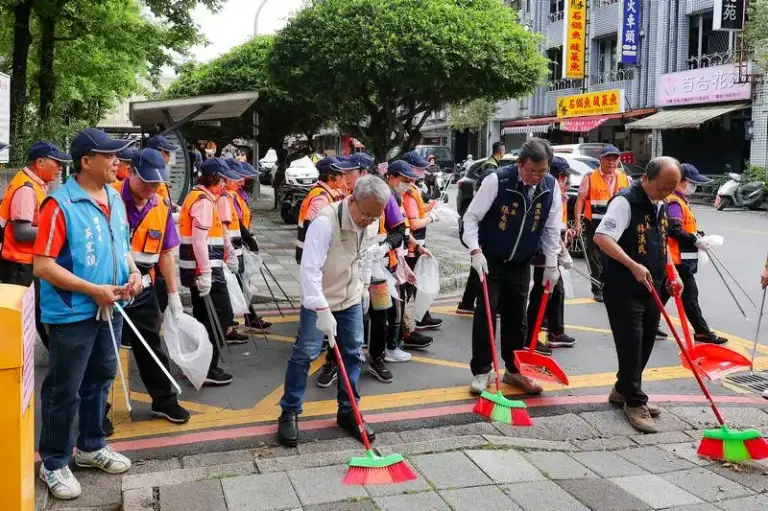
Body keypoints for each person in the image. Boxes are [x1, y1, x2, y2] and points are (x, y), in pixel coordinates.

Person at [34, 128, 139, 500]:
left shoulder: (114, 196)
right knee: (65, 388)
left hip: (109, 309)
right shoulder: (58, 205)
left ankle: (92, 446)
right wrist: (92, 290)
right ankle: (54, 462)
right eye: (110, 156)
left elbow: (123, 247)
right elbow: (43, 266)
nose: (117, 162)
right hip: (73, 313)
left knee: (100, 378)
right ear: (86, 162)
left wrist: (134, 273)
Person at [277, 175, 389, 447]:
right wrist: (322, 310)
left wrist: (362, 289)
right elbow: (309, 271)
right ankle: (289, 410)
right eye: (365, 215)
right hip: (319, 301)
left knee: (352, 353)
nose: (369, 221)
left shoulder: (371, 222)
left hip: (349, 299)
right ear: (352, 200)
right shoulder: (325, 223)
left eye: (375, 217)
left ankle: (348, 411)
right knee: (305, 354)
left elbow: (363, 257)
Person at [462, 137, 562, 397]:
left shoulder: (550, 187)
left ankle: (515, 370)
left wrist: (552, 264)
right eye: (531, 171)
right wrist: (475, 251)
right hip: (490, 259)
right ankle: (482, 369)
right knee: (486, 312)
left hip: (521, 263)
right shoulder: (498, 180)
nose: (537, 177)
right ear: (519, 164)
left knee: (518, 318)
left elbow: (551, 229)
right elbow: (471, 219)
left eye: (543, 171)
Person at [594, 156, 683, 433]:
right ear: (647, 178)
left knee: (645, 341)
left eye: (672, 188)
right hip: (623, 285)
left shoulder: (661, 203)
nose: (667, 193)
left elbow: (661, 243)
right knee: (631, 342)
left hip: (651, 284)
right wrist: (632, 265)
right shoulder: (625, 202)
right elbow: (602, 237)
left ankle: (622, 389)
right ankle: (634, 401)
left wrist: (673, 273)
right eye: (663, 187)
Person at [117, 148, 190, 423]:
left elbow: (167, 254)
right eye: (146, 181)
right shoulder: (109, 197)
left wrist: (174, 295)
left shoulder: (160, 206)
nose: (151, 187)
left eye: (156, 183)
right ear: (131, 171)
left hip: (144, 290)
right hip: (109, 289)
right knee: (104, 352)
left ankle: (164, 400)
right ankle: (102, 410)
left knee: (150, 346)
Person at [0, 141, 71, 350]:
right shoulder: (26, 189)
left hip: (26, 264)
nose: (59, 168)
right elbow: (22, 232)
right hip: (19, 267)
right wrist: (58, 232)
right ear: (40, 162)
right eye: (56, 163)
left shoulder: (36, 185)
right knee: (24, 317)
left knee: (37, 313)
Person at [178, 157, 241, 386]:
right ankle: (207, 368)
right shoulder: (203, 201)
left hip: (201, 269)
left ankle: (198, 364)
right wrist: (204, 273)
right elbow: (199, 241)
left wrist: (229, 252)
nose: (225, 183)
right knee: (221, 315)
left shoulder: (203, 197)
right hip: (206, 271)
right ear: (213, 178)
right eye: (222, 178)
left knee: (205, 317)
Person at [661, 163, 727, 345]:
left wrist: (700, 235)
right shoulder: (674, 202)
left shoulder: (680, 200)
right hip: (676, 259)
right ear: (679, 181)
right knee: (689, 296)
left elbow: (684, 226)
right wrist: (694, 240)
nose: (694, 186)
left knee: (661, 295)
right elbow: (674, 229)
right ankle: (702, 332)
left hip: (677, 259)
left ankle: (647, 324)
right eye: (691, 182)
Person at [363, 161, 416, 383]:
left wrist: (384, 247)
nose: (347, 178)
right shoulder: (342, 198)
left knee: (380, 312)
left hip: (379, 268)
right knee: (347, 312)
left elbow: (399, 230)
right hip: (349, 267)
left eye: (352, 172)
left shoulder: (386, 197)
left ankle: (377, 357)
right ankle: (336, 361)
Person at [526, 156, 576, 354]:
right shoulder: (546, 194)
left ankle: (554, 331)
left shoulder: (560, 195)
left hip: (553, 250)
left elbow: (557, 225)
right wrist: (555, 252)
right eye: (564, 177)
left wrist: (564, 239)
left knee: (555, 292)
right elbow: (546, 229)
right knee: (541, 293)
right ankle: (530, 337)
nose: (567, 181)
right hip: (544, 252)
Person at [574, 145, 630, 303]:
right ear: (601, 159)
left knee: (615, 257)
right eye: (608, 158)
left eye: (615, 159)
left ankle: (612, 287)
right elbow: (580, 201)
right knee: (595, 258)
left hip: (617, 227)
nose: (611, 162)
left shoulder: (624, 177)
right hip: (595, 226)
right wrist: (578, 222)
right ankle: (597, 289)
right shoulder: (590, 177)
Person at [456, 142, 506, 315]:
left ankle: (467, 302)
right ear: (501, 151)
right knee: (482, 268)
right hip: (484, 228)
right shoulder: (491, 170)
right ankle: (471, 303)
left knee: (478, 268)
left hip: (484, 229)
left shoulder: (490, 165)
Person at [227, 159, 273, 330]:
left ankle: (247, 316)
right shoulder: (230, 195)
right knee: (239, 282)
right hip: (234, 245)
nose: (244, 180)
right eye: (240, 177)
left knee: (242, 282)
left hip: (240, 243)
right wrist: (249, 239)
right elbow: (235, 222)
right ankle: (244, 317)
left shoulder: (238, 194)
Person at [401, 150, 443, 331]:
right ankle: (406, 327)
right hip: (412, 245)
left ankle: (418, 317)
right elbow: (414, 223)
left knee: (412, 284)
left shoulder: (413, 189)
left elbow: (416, 214)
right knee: (408, 285)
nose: (422, 171)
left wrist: (428, 208)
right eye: (418, 168)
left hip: (415, 243)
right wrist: (432, 217)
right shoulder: (408, 191)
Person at [296, 156, 345, 265]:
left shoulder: (322, 192)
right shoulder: (321, 198)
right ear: (331, 177)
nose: (344, 178)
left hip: (312, 254)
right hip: (315, 257)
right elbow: (314, 228)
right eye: (341, 175)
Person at [145, 135, 177, 204]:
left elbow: (165, 200)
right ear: (159, 153)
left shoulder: (159, 172)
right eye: (167, 152)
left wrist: (175, 207)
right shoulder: (149, 175)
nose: (169, 155)